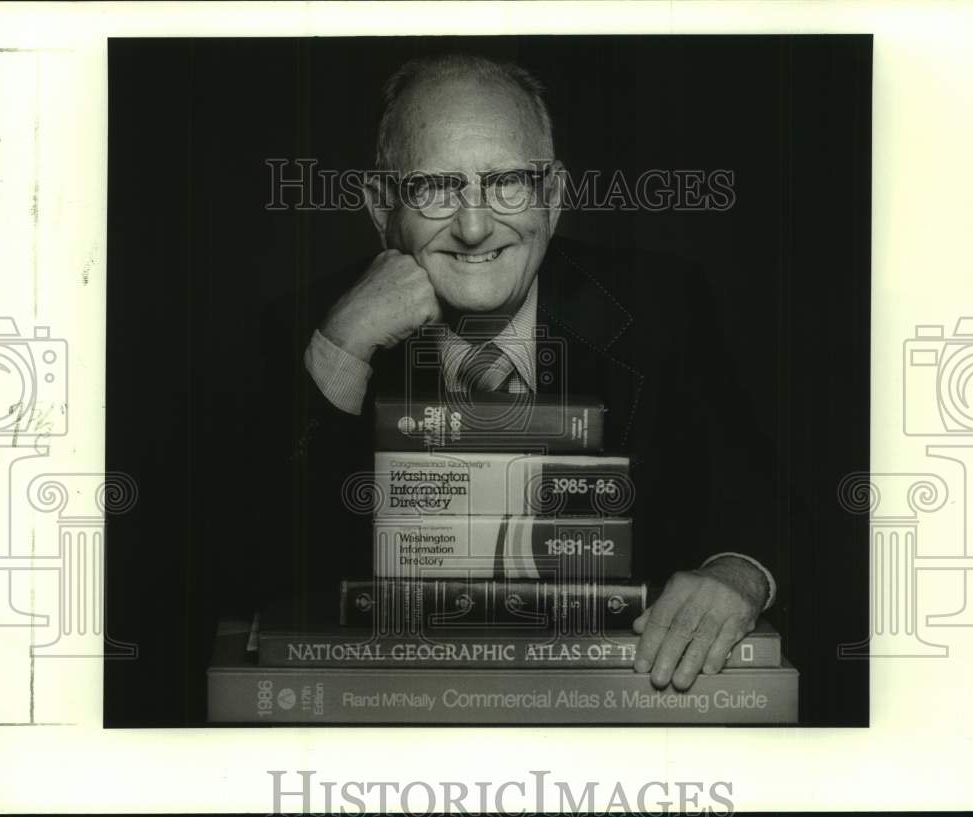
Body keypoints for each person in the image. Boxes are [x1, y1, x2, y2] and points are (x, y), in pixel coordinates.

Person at [259, 53, 780, 693]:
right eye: (434, 187)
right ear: (380, 205)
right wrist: (341, 351)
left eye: (507, 182)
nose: (474, 227)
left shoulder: (663, 308)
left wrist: (736, 573)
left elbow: (762, 497)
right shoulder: (304, 332)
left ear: (554, 198)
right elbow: (245, 564)